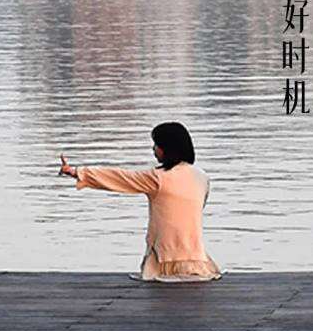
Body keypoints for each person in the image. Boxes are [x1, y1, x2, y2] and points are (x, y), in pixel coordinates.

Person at [59, 121, 221, 282]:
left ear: (167, 148)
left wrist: (76, 172)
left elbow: (120, 178)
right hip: (197, 260)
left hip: (164, 260)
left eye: (156, 145)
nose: (153, 149)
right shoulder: (202, 177)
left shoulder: (158, 178)